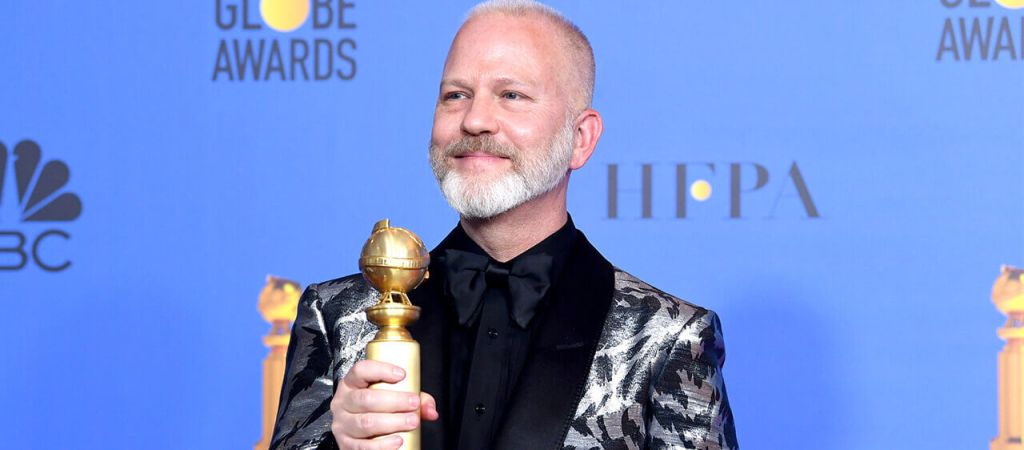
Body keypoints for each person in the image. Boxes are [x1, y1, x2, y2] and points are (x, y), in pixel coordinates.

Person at [270, 1, 738, 449]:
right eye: (456, 96)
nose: (474, 120)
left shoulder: (664, 337)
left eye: (511, 95)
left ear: (581, 138)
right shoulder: (338, 315)